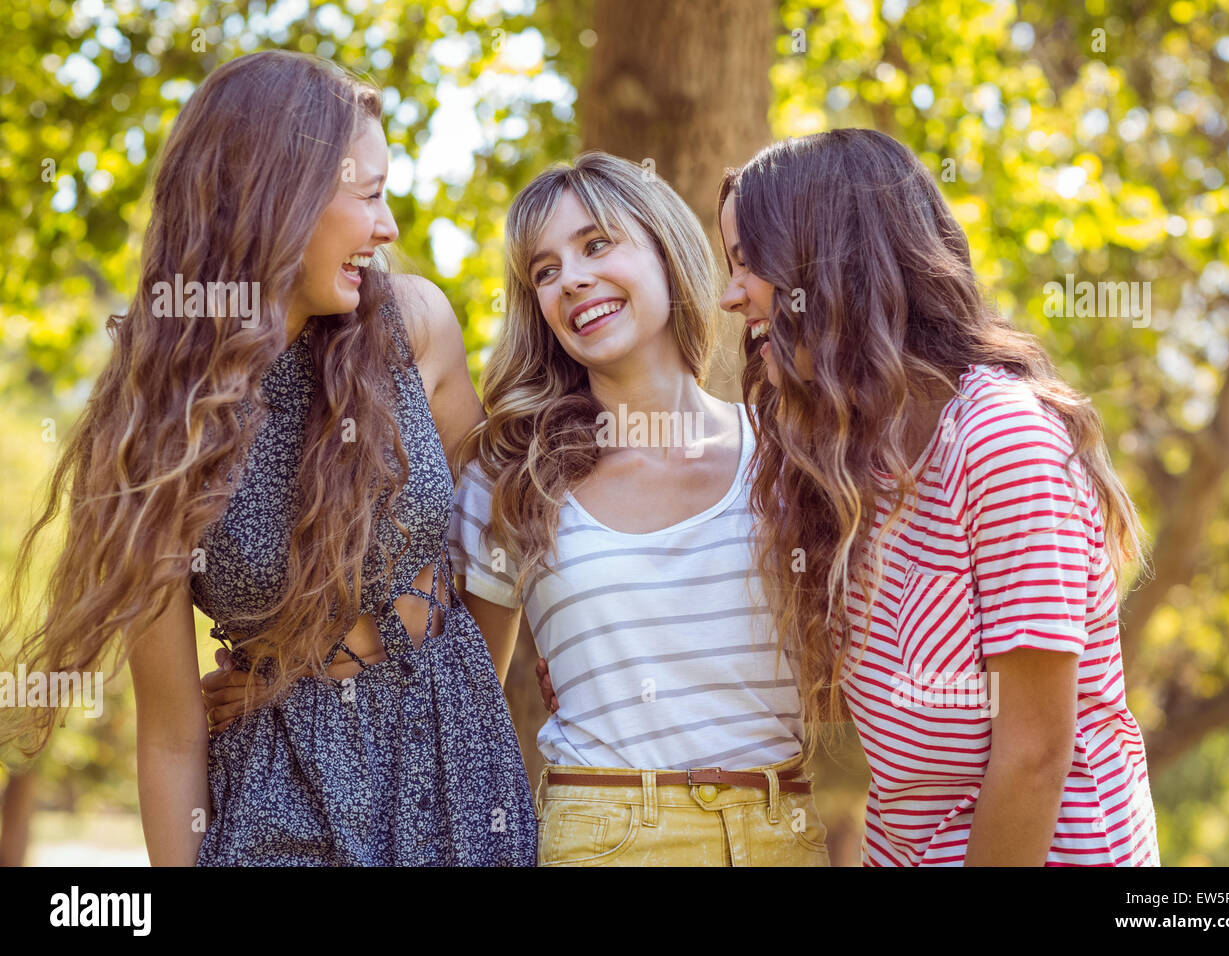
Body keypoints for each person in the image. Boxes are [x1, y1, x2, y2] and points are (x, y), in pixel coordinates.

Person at [0, 50, 535, 866]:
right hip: (275, 806)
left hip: (456, 780)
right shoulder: (150, 430)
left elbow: (493, 555)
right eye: (370, 196)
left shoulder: (415, 327)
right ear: (281, 198)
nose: (389, 228)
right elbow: (171, 734)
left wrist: (449, 702)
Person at [714, 128, 1160, 866]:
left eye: (747, 262)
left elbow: (1033, 756)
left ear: (829, 260)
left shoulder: (1002, 438)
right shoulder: (854, 462)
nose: (731, 295)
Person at [449, 152, 829, 866]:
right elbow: (464, 705)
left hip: (783, 833)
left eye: (596, 245)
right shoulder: (511, 476)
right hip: (605, 837)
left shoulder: (786, 451)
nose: (571, 279)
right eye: (545, 271)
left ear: (666, 249)